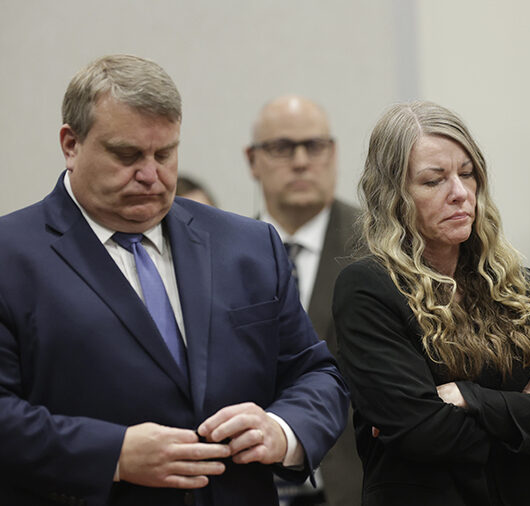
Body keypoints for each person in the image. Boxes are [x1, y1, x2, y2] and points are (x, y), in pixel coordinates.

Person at [0, 54, 349, 506]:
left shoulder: (246, 245)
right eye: (126, 155)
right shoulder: (11, 255)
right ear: (71, 144)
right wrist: (115, 454)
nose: (151, 175)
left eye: (164, 153)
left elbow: (317, 374)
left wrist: (281, 430)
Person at [332, 101, 530, 506]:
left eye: (467, 174)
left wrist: (468, 397)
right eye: (434, 181)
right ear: (393, 196)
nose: (459, 193)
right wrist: (528, 408)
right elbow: (421, 433)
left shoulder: (517, 283)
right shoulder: (369, 288)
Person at [246, 95, 363, 506]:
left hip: (356, 486)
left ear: (332, 154)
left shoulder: (381, 248)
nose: (300, 161)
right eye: (281, 147)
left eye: (314, 146)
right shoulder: (222, 255)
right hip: (253, 486)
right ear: (252, 160)